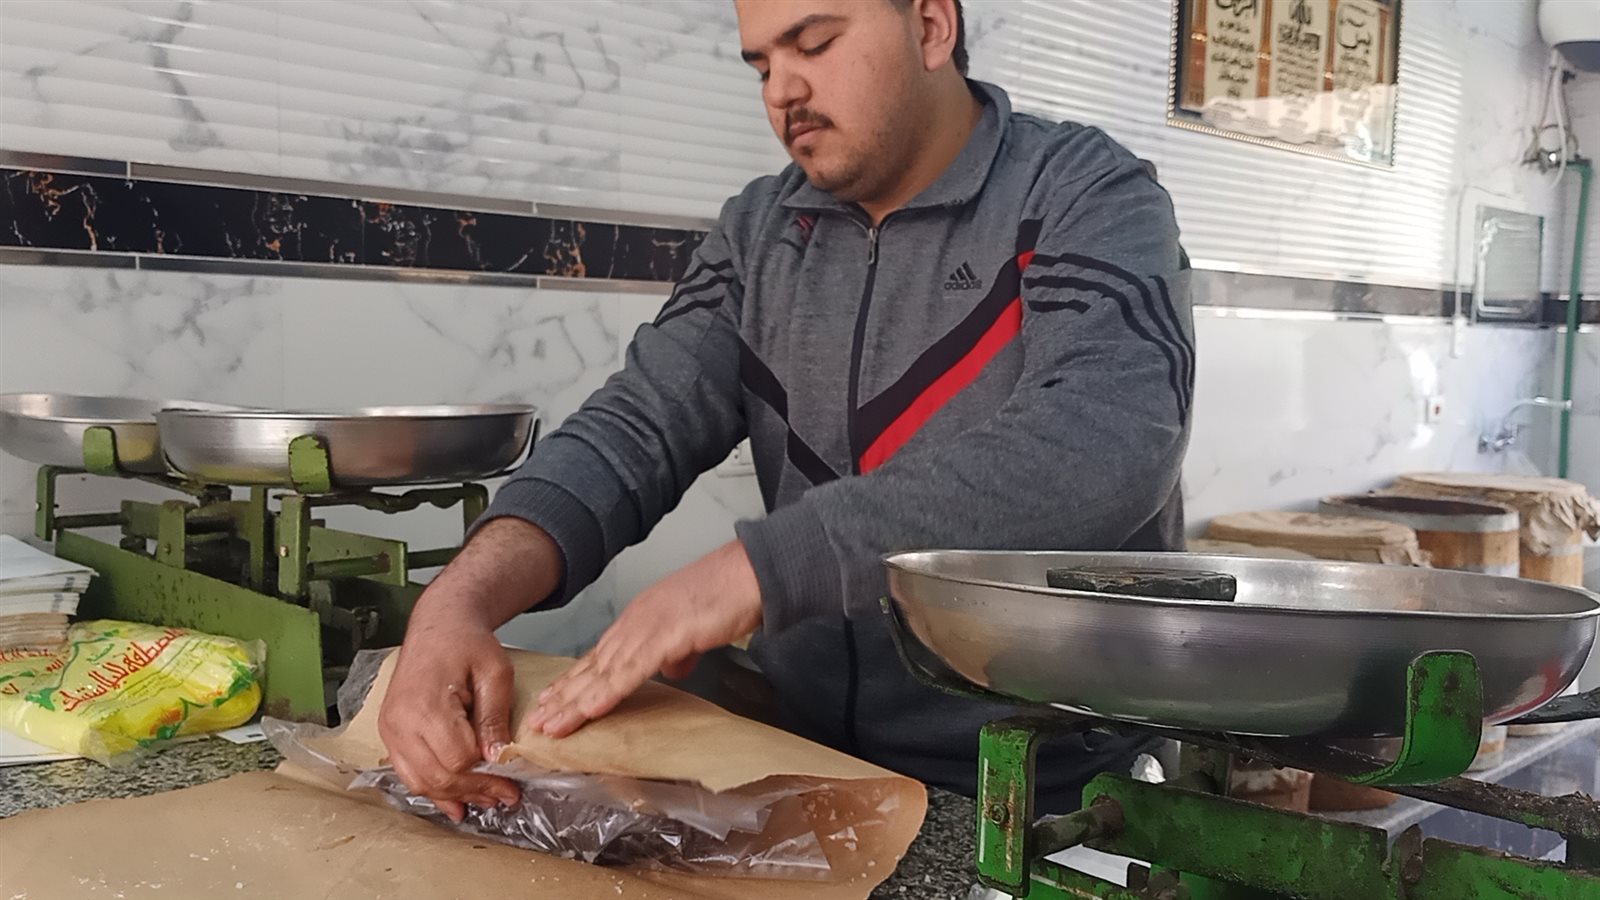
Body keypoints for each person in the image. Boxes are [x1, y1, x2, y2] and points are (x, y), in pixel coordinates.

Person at [378, 0, 1192, 820]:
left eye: (815, 44)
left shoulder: (1083, 192)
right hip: (812, 770)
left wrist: (766, 566)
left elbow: (1107, 438)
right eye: (763, 65)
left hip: (1058, 793)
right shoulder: (761, 232)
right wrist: (457, 603)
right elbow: (635, 427)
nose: (782, 91)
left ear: (930, 27)